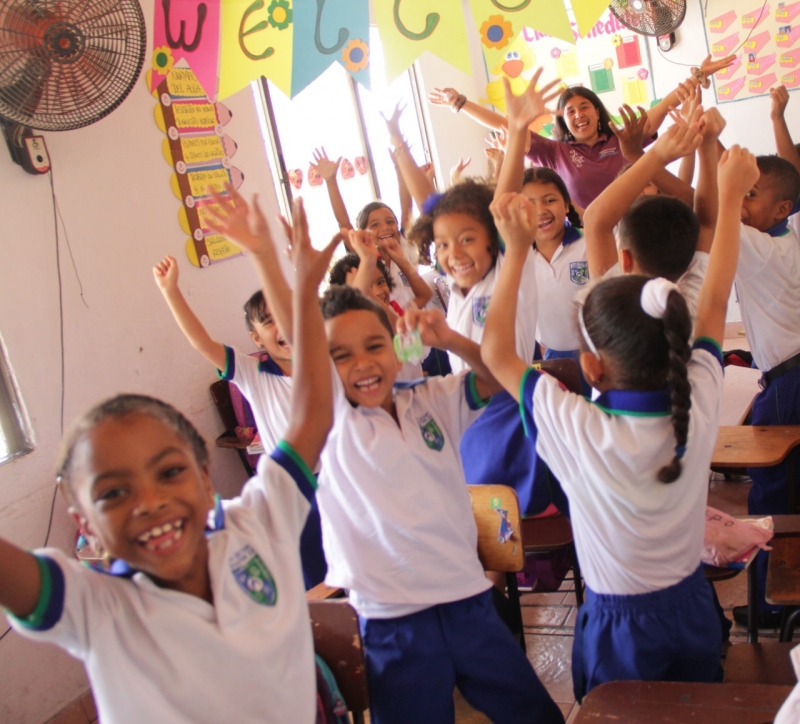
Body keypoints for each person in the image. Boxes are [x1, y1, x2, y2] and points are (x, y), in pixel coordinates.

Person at [207, 188, 565, 724]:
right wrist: (269, 259)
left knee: (536, 716)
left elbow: (494, 374)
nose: (361, 364)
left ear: (396, 347)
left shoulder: (432, 398)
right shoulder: (332, 421)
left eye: (374, 346)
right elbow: (309, 363)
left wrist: (451, 341)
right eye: (340, 356)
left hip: (469, 604)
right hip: (392, 623)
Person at [0, 198, 337, 724]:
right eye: (113, 493)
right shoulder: (100, 608)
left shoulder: (256, 522)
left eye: (170, 471)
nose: (150, 502)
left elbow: (314, 406)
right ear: (83, 526)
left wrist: (271, 261)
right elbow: (17, 579)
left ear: (207, 478)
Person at [481, 136, 760, 700]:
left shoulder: (578, 425)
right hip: (690, 608)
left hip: (618, 625)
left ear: (591, 366)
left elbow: (496, 353)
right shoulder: (701, 395)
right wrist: (729, 199)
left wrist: (513, 251)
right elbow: (716, 293)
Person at [153, 253, 328, 589]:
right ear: (257, 339)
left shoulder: (325, 362)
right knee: (312, 574)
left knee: (356, 558)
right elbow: (203, 343)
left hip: (339, 475)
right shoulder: (253, 373)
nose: (282, 325)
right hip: (293, 490)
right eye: (268, 321)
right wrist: (171, 291)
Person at [429, 55, 734, 209]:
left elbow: (665, 105)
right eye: (570, 111)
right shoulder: (555, 152)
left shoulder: (623, 137)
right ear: (563, 121)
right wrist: (460, 102)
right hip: (590, 234)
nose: (578, 114)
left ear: (597, 110)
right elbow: (507, 126)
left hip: (640, 224)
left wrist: (698, 76)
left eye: (584, 106)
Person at [720, 150, 800, 629]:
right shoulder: (786, 240)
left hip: (789, 382)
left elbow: (706, 209)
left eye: (751, 194)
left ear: (781, 209)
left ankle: (775, 605)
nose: (741, 202)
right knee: (787, 489)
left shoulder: (760, 246)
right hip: (786, 375)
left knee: (774, 492)